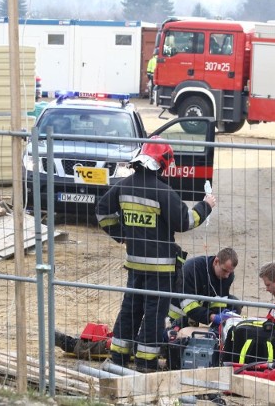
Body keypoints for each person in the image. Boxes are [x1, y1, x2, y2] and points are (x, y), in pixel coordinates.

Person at [96, 136, 216, 373]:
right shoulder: (163, 192)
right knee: (153, 314)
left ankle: (119, 357)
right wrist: (206, 206)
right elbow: (184, 221)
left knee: (130, 309)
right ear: (162, 163)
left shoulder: (123, 186)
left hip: (135, 266)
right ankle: (145, 363)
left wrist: (122, 234)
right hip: (160, 270)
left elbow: (102, 211)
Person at [168, 247, 241, 335]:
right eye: (224, 270)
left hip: (200, 304)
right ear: (216, 261)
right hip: (180, 311)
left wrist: (220, 314)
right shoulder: (192, 269)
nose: (226, 276)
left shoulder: (228, 275)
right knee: (179, 337)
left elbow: (220, 299)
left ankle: (216, 334)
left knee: (235, 304)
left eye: (230, 272)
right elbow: (188, 305)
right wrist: (212, 317)